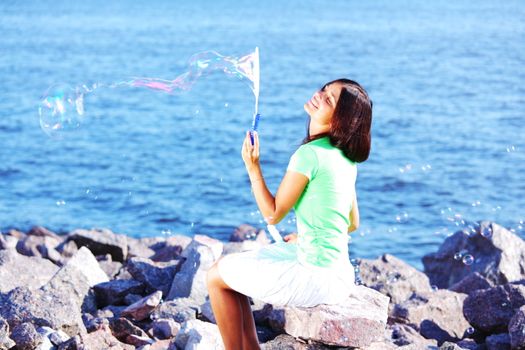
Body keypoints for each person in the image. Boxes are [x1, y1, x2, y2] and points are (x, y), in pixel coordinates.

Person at [207, 78, 373, 350]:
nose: (319, 95)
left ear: (340, 120)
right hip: (339, 273)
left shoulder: (309, 155)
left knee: (215, 277)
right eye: (323, 90)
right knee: (232, 274)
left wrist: (252, 166)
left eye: (329, 99)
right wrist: (307, 234)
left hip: (315, 276)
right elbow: (352, 223)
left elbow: (272, 215)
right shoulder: (345, 157)